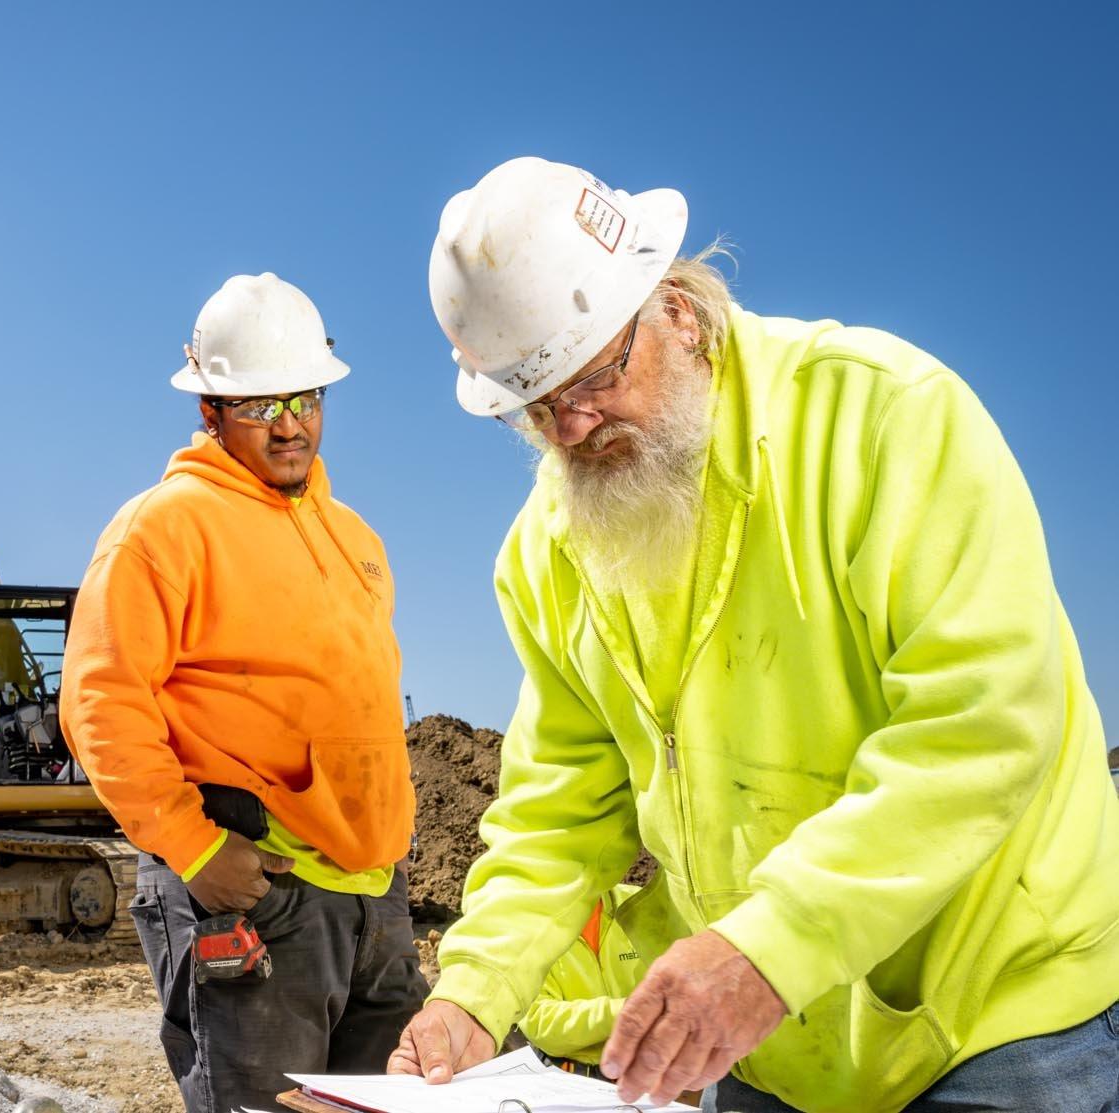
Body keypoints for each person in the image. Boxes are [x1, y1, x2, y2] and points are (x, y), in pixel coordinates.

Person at [387, 157, 1119, 1112]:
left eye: (596, 373)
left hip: (994, 1020)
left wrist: (766, 950)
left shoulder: (886, 420)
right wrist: (474, 995)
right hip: (775, 1045)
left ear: (678, 310)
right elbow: (559, 810)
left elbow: (983, 724)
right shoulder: (550, 553)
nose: (573, 426)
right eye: (535, 403)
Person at [61, 273, 425, 1113]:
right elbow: (100, 701)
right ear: (211, 411)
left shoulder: (354, 535)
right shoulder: (165, 526)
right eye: (262, 404)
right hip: (262, 897)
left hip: (376, 900)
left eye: (305, 397)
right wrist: (191, 847)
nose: (290, 423)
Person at [518, 883, 647, 1077]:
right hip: (570, 1082)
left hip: (650, 1073)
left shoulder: (642, 903)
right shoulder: (523, 926)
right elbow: (540, 1023)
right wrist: (629, 1011)